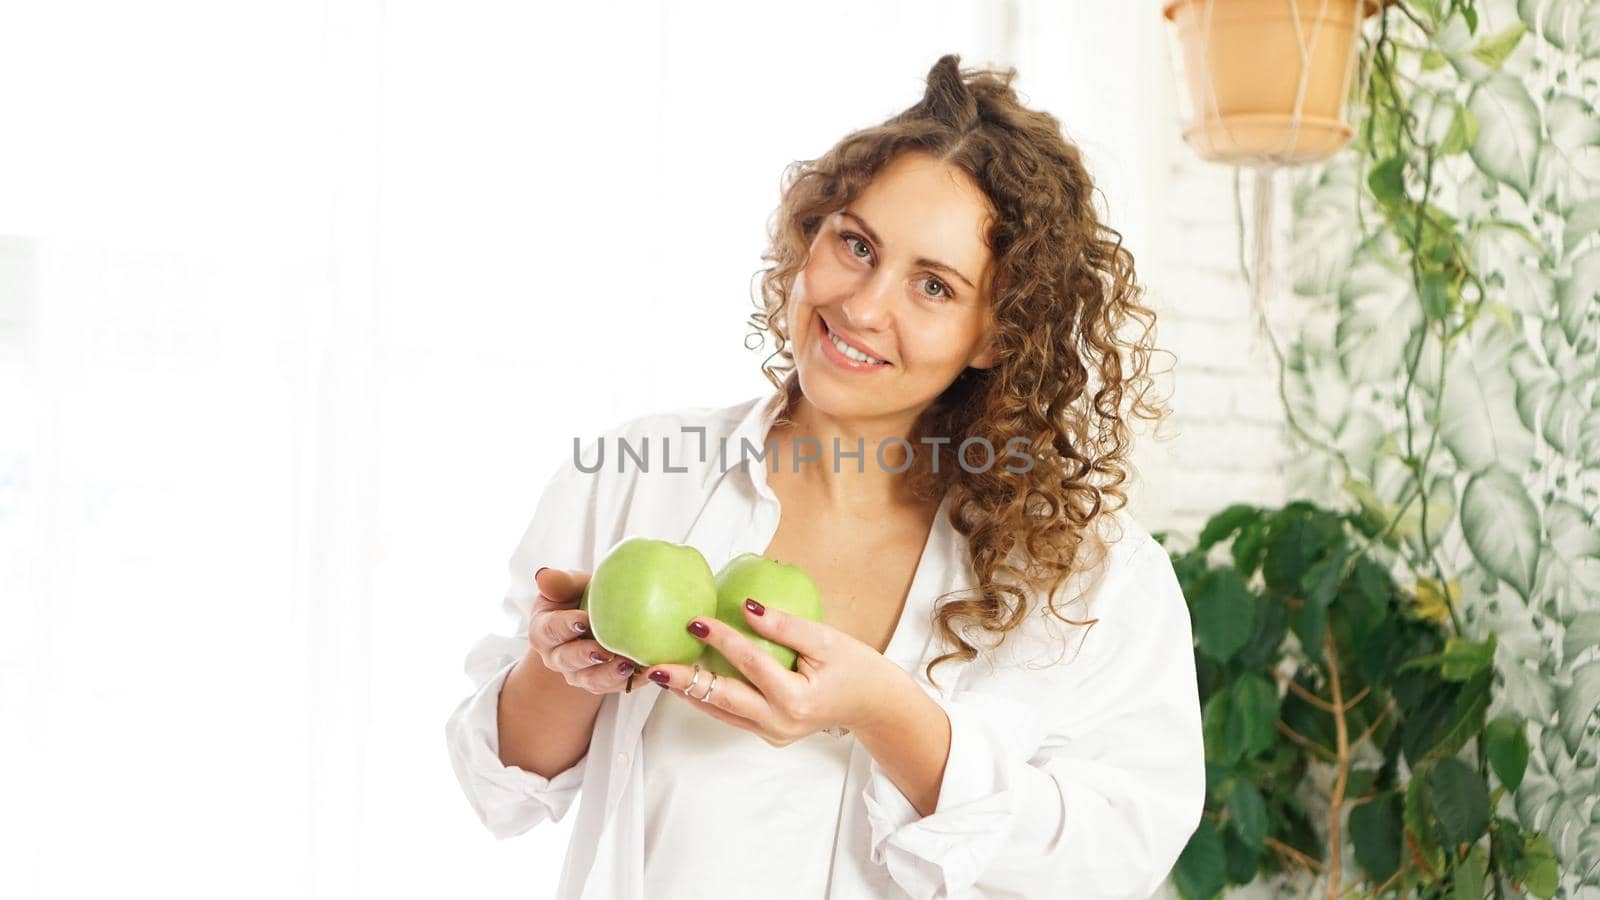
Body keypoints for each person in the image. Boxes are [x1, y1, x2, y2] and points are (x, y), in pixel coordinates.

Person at [445, 53, 1204, 900]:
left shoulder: (1087, 574)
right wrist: (563, 665)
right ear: (813, 235)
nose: (864, 306)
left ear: (995, 338)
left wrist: (889, 716)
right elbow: (502, 784)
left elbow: (1116, 860)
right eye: (857, 244)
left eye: (933, 286)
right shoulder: (637, 479)